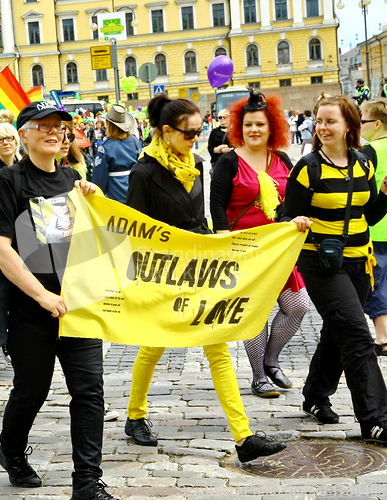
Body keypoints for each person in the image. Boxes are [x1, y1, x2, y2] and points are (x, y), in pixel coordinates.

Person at [124, 93, 287, 463]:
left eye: (199, 131)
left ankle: (244, 438)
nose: (196, 139)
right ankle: (135, 415)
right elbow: (135, 229)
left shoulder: (196, 163)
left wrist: (219, 245)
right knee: (153, 344)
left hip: (199, 267)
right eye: (189, 133)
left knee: (217, 346)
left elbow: (201, 218)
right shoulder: (144, 171)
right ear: (166, 132)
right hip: (164, 272)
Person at [0, 101, 117, 498]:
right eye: (43, 126)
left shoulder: (74, 178)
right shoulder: (10, 181)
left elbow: (94, 239)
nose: (54, 132)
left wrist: (93, 199)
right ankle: (12, 451)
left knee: (89, 392)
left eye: (59, 126)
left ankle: (87, 484)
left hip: (77, 307)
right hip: (30, 309)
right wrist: (41, 296)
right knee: (31, 389)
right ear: (23, 134)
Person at [282, 95, 387, 442]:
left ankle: (314, 396)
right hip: (321, 263)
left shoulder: (363, 165)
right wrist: (294, 220)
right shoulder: (308, 167)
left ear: (349, 126)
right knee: (357, 333)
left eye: (330, 121)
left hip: (360, 260)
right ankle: (376, 418)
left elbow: (369, 215)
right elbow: (285, 214)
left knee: (337, 330)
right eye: (319, 120)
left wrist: (385, 195)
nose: (322, 127)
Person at [210, 89, 309, 398]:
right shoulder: (229, 162)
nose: (254, 130)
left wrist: (296, 220)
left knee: (297, 306)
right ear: (240, 128)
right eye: (249, 124)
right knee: (254, 312)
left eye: (260, 125)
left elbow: (291, 201)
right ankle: (257, 376)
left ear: (272, 128)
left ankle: (270, 360)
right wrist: (224, 242)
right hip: (243, 250)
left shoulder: (280, 159)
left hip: (278, 248)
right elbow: (216, 206)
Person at [360, 100, 387, 356]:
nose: (360, 126)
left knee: (375, 284)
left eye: (363, 121)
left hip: (377, 227)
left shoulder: (370, 151)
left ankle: (382, 337)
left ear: (377, 124)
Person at [92, 105, 141, 203]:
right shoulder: (135, 141)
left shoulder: (105, 147)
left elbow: (99, 178)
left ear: (109, 125)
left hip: (116, 195)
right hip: (136, 192)